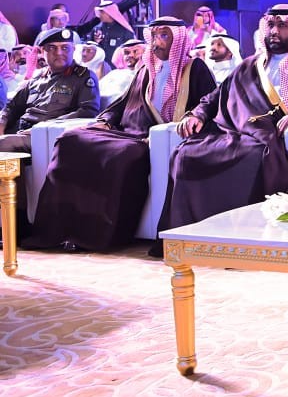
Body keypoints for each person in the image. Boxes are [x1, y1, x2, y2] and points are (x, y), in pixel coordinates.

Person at [153, 5, 288, 252]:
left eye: (282, 25)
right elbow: (217, 95)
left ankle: (238, 243)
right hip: (232, 130)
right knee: (185, 154)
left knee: (249, 157)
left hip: (268, 136)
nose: (274, 31)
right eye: (271, 25)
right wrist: (197, 114)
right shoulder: (250, 65)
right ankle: (189, 240)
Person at [26, 17, 216, 252]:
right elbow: (123, 102)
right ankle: (62, 229)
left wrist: (193, 118)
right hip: (126, 133)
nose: (156, 42)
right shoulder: (146, 68)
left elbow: (208, 106)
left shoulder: (195, 68)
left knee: (119, 155)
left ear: (178, 39)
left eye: (164, 36)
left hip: (152, 139)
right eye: (154, 36)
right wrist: (105, 121)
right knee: (70, 140)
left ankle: (98, 235)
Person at [0, 28, 101, 155]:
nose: (59, 52)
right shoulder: (37, 76)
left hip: (48, 136)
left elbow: (88, 111)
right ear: (42, 51)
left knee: (3, 143)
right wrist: (2, 121)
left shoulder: (83, 76)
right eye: (52, 48)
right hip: (20, 131)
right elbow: (12, 106)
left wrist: (43, 128)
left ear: (73, 49)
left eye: (65, 48)